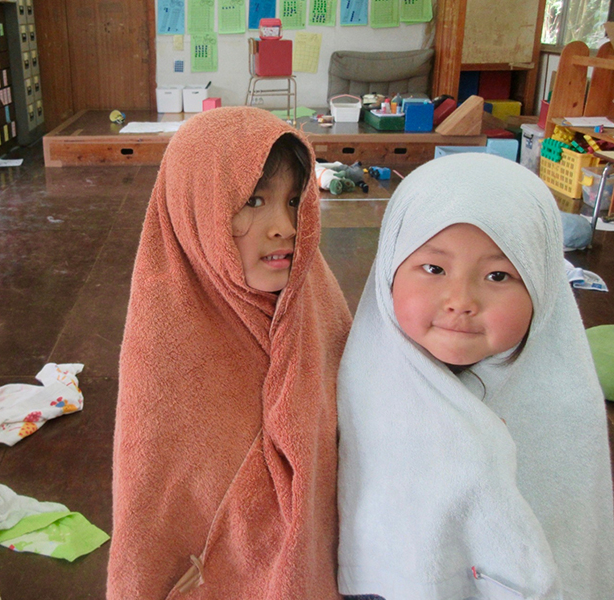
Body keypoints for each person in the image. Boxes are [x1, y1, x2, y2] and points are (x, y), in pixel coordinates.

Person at [337, 153, 614, 600]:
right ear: (389, 269)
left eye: (498, 274)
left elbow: (575, 545)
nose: (460, 300)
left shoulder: (565, 405)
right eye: (434, 269)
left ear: (543, 285)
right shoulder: (361, 386)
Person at [107, 107, 352, 599]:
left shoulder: (319, 303)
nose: (283, 225)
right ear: (197, 206)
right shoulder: (165, 347)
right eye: (254, 201)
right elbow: (150, 522)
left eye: (293, 200)